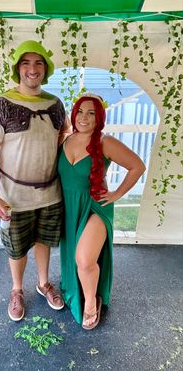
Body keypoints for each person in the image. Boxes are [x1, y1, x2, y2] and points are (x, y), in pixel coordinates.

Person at [0, 40, 71, 321]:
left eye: (39, 63)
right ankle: (17, 290)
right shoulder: (2, 105)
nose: (33, 69)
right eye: (26, 63)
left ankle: (43, 284)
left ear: (46, 68)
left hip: (50, 194)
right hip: (13, 198)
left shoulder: (55, 104)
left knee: (44, 241)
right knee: (17, 248)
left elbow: (63, 140)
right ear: (18, 68)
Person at [58, 93, 146, 330]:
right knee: (75, 258)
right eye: (80, 111)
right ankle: (81, 290)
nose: (84, 117)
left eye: (92, 113)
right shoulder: (63, 140)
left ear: (99, 118)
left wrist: (117, 194)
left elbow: (137, 166)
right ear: (73, 114)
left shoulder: (105, 142)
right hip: (70, 208)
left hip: (97, 207)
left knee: (85, 260)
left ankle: (90, 302)